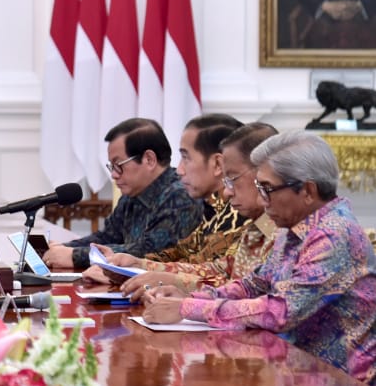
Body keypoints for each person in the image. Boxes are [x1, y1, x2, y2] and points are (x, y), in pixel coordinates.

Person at [144, 131, 376, 385]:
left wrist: (186, 309)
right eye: (259, 188)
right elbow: (253, 285)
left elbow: (280, 311)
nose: (263, 201)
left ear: (308, 190)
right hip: (299, 377)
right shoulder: (295, 227)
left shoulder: (333, 235)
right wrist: (191, 299)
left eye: (267, 189)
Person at [110, 123, 280, 300]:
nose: (228, 191)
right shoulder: (255, 226)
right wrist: (141, 265)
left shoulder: (282, 232)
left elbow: (255, 298)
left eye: (232, 179)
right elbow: (219, 269)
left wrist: (179, 292)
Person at [83, 115, 248, 283]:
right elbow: (184, 256)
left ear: (218, 165)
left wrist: (142, 272)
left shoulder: (239, 214)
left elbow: (226, 282)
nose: (179, 170)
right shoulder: (214, 208)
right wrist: (135, 265)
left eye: (186, 158)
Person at [42, 118, 204, 270]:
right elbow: (106, 237)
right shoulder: (131, 195)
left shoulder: (180, 195)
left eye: (118, 165)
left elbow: (153, 252)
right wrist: (64, 248)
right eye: (111, 167)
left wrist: (75, 256)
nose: (114, 175)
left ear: (149, 160)